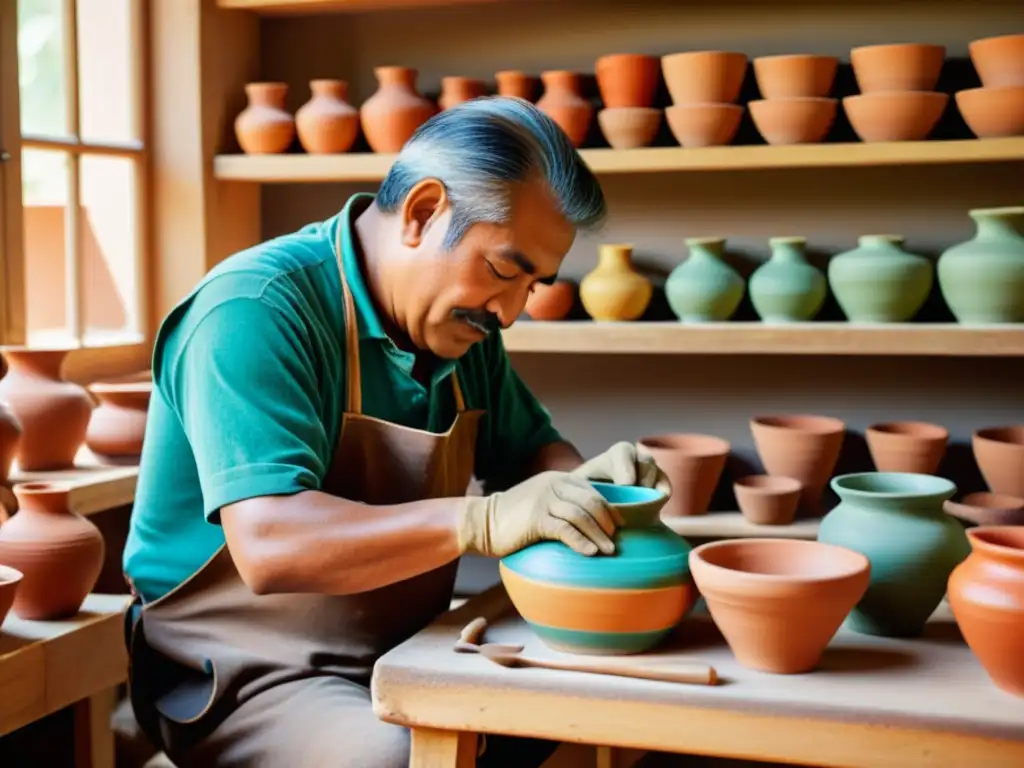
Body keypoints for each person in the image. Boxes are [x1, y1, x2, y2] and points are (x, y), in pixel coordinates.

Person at [121, 96, 670, 768]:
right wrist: (482, 521)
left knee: (582, 709)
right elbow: (270, 543)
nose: (512, 311)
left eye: (534, 285)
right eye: (504, 270)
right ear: (421, 212)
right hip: (242, 675)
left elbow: (532, 453)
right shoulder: (254, 310)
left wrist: (585, 487)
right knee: (400, 760)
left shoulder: (464, 329)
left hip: (406, 647)